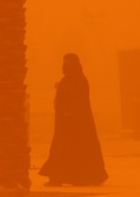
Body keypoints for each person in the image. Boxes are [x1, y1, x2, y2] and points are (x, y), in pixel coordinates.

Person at [39, 53, 108, 186]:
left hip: (78, 125)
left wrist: (70, 112)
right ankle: (57, 177)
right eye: (65, 63)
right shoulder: (66, 80)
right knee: (61, 150)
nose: (66, 66)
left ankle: (83, 177)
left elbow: (80, 101)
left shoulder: (80, 80)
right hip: (64, 125)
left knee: (79, 149)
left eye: (69, 63)